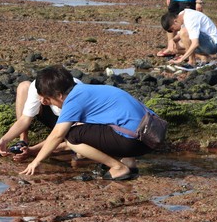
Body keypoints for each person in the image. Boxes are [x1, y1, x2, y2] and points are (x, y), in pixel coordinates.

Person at [19, 66, 156, 180]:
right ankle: (129, 162)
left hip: (136, 142)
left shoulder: (73, 100)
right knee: (102, 125)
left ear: (59, 95)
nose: (47, 104)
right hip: (152, 134)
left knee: (72, 136)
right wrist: (33, 150)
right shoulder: (88, 91)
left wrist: (36, 161)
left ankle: (118, 167)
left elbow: (57, 135)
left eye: (48, 100)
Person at [0, 77, 80, 161]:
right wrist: (4, 140)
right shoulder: (39, 86)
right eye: (40, 97)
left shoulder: (74, 95)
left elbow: (58, 134)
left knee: (74, 143)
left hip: (71, 124)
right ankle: (23, 140)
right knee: (24, 86)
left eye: (45, 98)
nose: (42, 101)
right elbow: (25, 119)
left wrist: (32, 151)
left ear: (59, 95)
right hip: (52, 116)